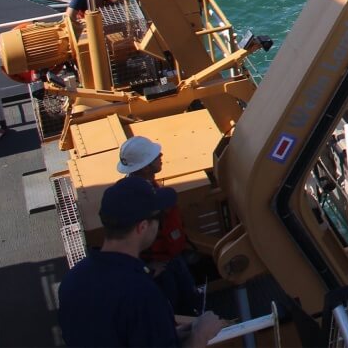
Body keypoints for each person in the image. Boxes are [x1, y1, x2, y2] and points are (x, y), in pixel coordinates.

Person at [58, 176, 226, 347]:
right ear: (142, 227)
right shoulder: (141, 294)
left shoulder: (73, 279)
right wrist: (200, 334)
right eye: (158, 218)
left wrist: (169, 334)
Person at [117, 136, 200, 316]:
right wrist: (145, 268)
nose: (161, 155)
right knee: (176, 313)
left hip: (170, 262)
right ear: (146, 167)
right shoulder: (135, 201)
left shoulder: (140, 189)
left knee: (189, 303)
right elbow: (124, 241)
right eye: (155, 156)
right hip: (162, 271)